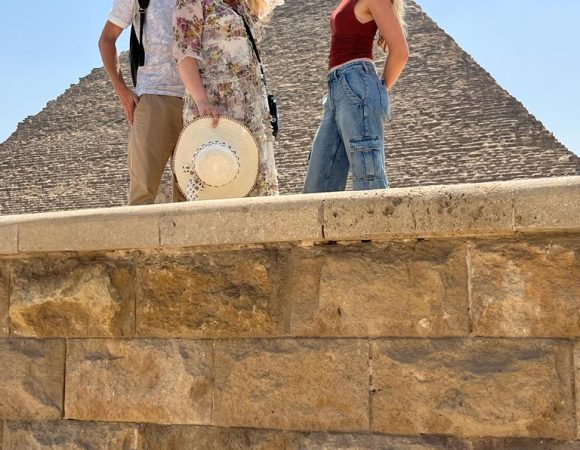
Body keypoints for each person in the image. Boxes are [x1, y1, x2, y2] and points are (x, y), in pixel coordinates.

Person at [173, 0, 281, 200]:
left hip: (252, 110)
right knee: (219, 181)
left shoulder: (243, 4)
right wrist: (201, 100)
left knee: (257, 190)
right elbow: (185, 54)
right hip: (216, 109)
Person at [303, 0, 409, 193]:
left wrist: (379, 89)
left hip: (357, 86)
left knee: (369, 183)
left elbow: (401, 52)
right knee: (317, 188)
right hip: (336, 91)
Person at [99, 0, 186, 205]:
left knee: (192, 195)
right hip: (155, 97)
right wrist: (122, 90)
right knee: (142, 195)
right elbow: (107, 39)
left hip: (198, 102)